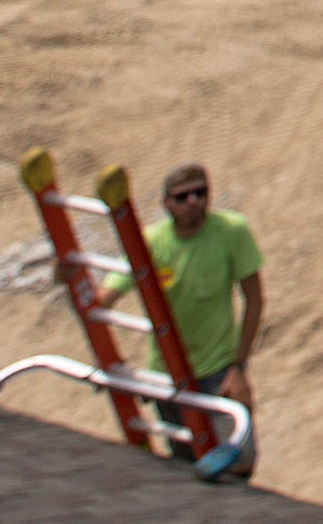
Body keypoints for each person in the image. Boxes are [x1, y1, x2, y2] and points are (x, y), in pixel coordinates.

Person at [102, 162, 265, 475]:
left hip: (218, 372)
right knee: (187, 467)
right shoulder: (150, 242)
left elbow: (255, 299)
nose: (194, 202)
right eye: (183, 196)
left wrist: (240, 368)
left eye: (201, 193)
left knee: (239, 462)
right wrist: (66, 277)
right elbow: (103, 299)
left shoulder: (232, 231)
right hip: (168, 374)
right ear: (166, 203)